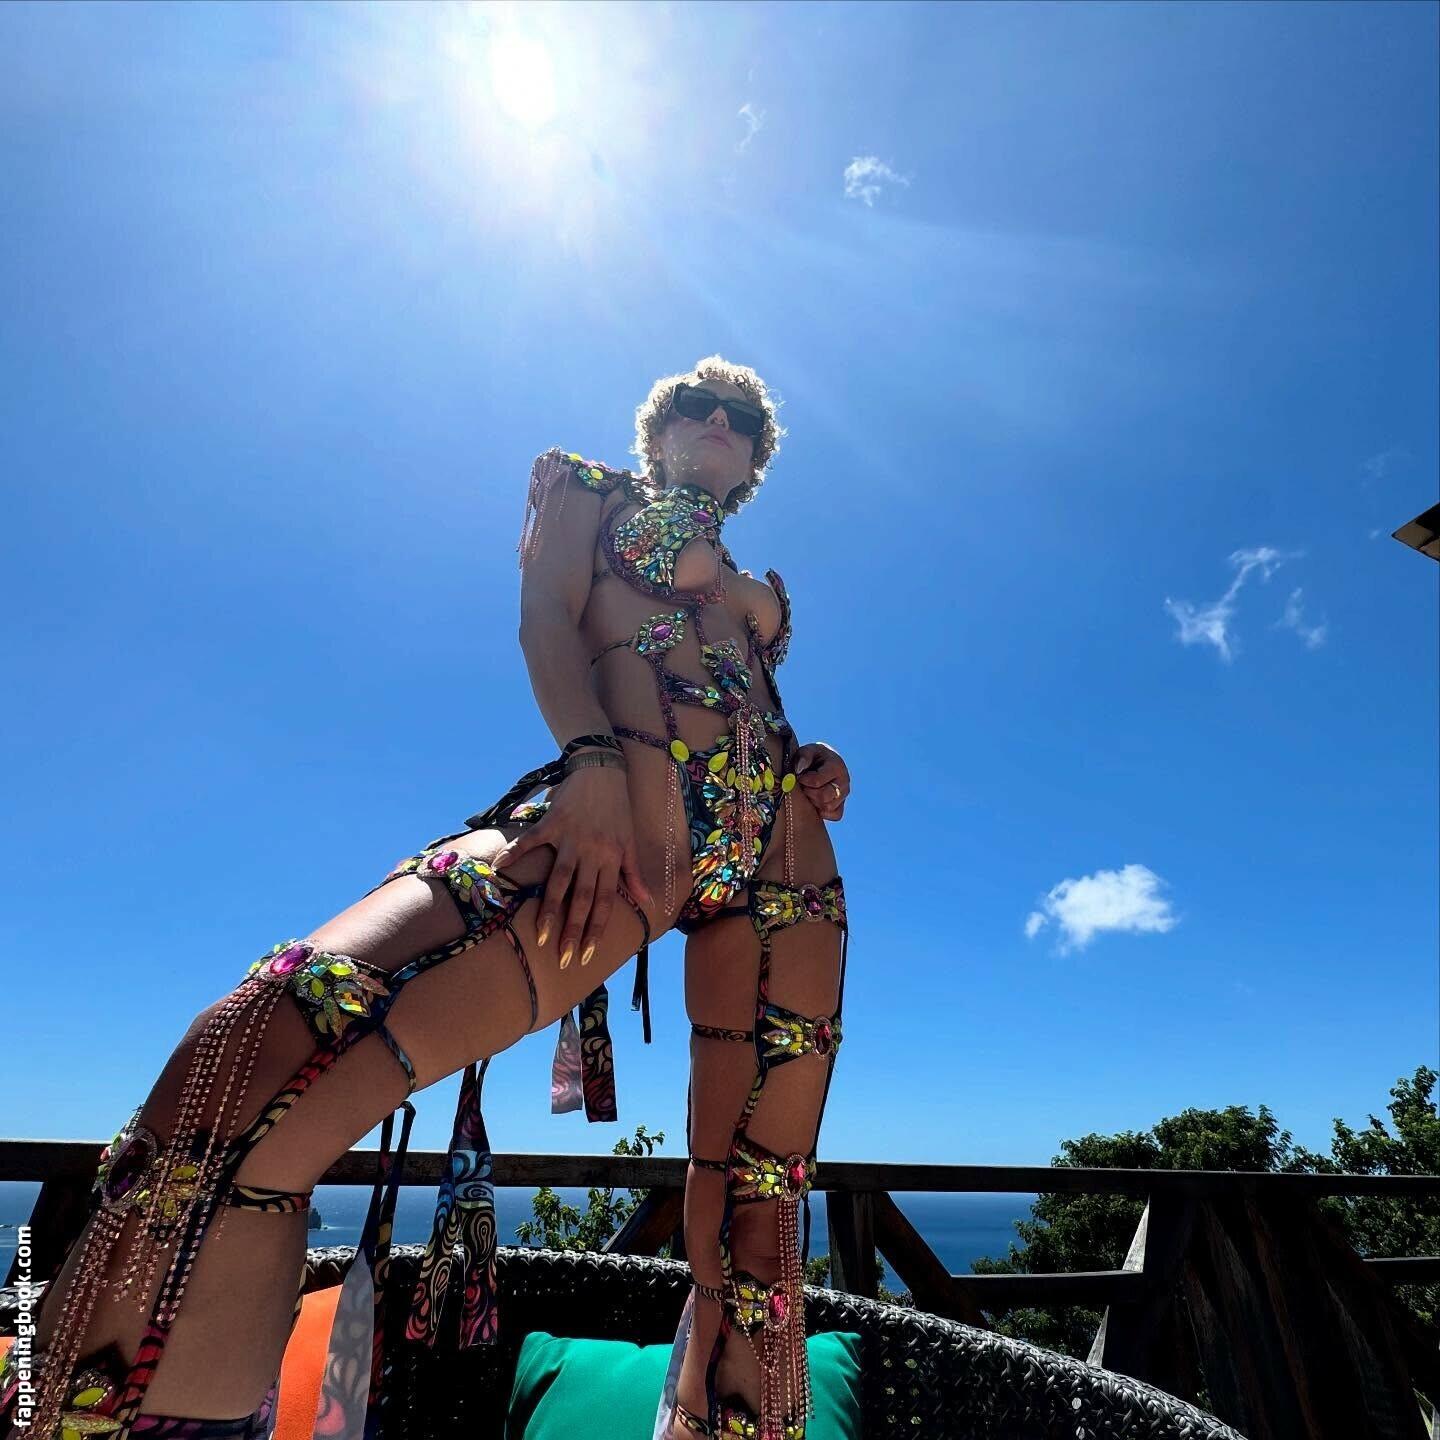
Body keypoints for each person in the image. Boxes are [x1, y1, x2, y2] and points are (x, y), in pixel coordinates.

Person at [0, 355, 853, 1440]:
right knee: (263, 1045)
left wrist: (811, 757)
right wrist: (590, 758)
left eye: (743, 418)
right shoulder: (585, 488)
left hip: (785, 866)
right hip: (625, 826)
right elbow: (545, 620)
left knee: (761, 1224)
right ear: (661, 424)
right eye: (699, 403)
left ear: (757, 457)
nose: (719, 422)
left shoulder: (764, 589)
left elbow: (754, 701)